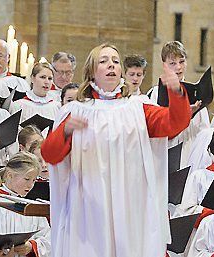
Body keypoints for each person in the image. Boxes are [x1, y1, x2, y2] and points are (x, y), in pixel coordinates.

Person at [41, 43, 191, 257]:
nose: (111, 65)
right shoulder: (75, 111)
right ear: (92, 71)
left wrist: (176, 92)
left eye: (115, 61)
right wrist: (65, 131)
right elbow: (50, 155)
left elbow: (175, 123)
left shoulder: (138, 107)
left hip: (129, 204)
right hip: (88, 207)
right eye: (103, 61)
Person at [0, 151, 51, 256]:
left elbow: (48, 238)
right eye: (27, 179)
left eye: (33, 180)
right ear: (10, 175)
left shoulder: (33, 208)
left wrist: (31, 246)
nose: (30, 185)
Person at [148, 41, 210, 169]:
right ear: (164, 65)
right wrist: (183, 114)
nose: (178, 68)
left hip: (191, 151)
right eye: (172, 63)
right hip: (164, 155)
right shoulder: (154, 94)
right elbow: (153, 129)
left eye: (182, 62)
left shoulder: (195, 91)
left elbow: (204, 132)